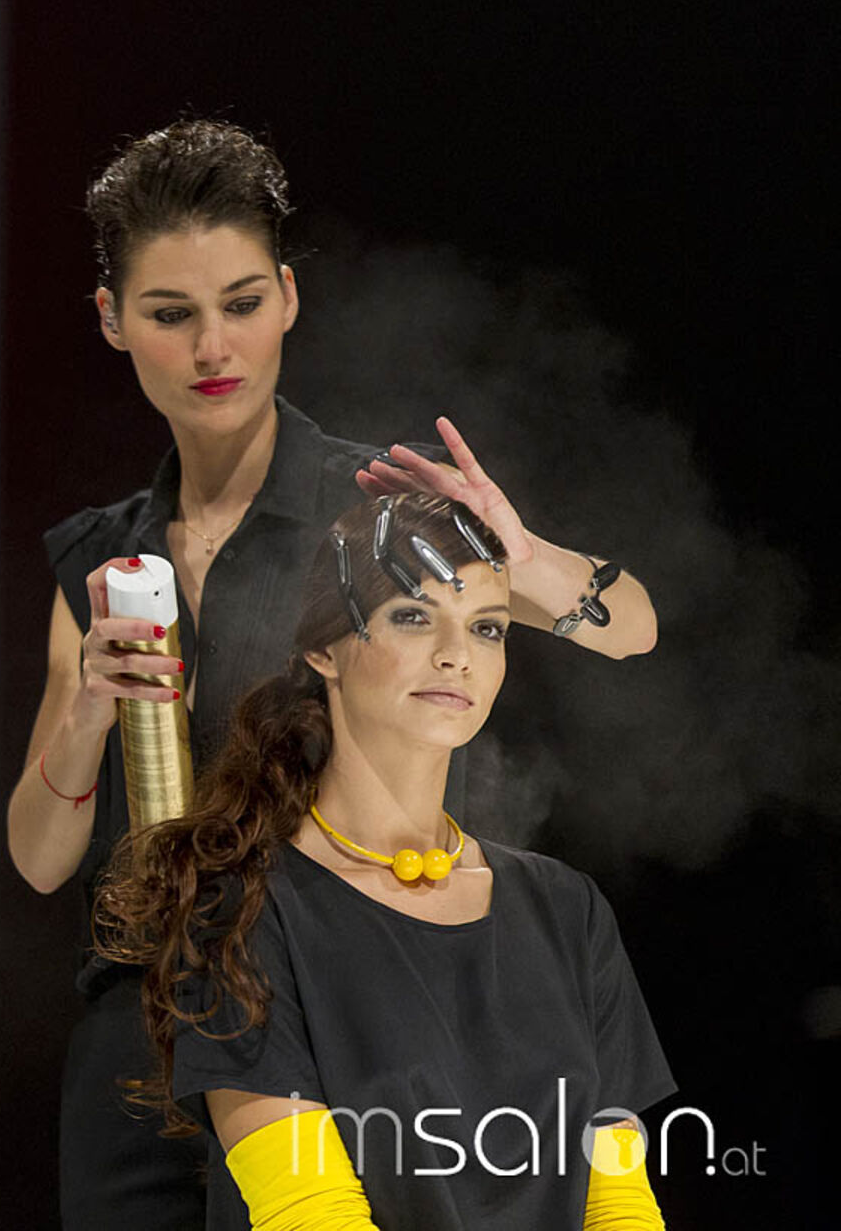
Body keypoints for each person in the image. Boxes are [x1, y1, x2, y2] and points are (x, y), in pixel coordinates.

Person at [4, 119, 660, 1227]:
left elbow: (632, 627)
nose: (214, 346)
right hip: (140, 1054)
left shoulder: (382, 508)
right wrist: (83, 716)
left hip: (351, 1028)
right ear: (113, 319)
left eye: (242, 302)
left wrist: (524, 553)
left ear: (289, 298)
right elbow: (39, 857)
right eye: (171, 313)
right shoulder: (102, 561)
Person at [93, 492, 673, 1228]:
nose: (457, 655)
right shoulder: (240, 909)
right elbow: (309, 1212)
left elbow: (619, 1203)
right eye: (412, 616)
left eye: (487, 627)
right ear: (324, 649)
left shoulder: (567, 909)